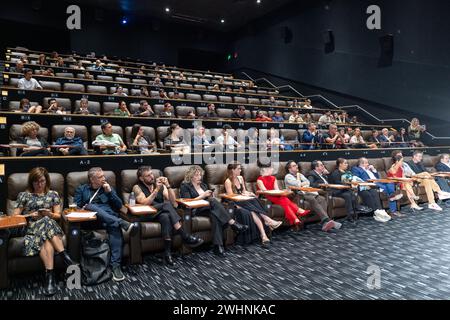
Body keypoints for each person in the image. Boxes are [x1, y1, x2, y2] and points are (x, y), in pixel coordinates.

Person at [13, 167, 75, 296]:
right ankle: (64, 256)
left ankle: (50, 278)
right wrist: (29, 215)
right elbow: (15, 217)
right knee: (45, 223)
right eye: (36, 182)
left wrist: (50, 214)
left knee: (46, 231)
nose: (39, 185)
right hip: (31, 226)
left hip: (49, 228)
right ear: (31, 182)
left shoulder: (53, 194)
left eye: (42, 181)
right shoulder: (24, 195)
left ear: (46, 181)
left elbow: (58, 215)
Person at [132, 166, 204, 265]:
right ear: (141, 178)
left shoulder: (160, 185)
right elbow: (144, 203)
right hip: (146, 214)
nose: (152, 177)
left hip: (160, 213)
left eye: (152, 174)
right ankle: (184, 235)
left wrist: (168, 186)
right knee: (166, 205)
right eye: (148, 176)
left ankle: (167, 253)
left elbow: (174, 203)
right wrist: (156, 190)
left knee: (165, 216)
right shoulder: (137, 187)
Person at [74, 167, 135, 281]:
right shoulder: (82, 189)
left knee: (114, 226)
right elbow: (76, 207)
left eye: (103, 175)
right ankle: (121, 223)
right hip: (91, 221)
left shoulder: (108, 188)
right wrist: (85, 208)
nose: (104, 178)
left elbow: (119, 205)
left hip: (108, 220)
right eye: (100, 176)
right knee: (90, 206)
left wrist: (110, 192)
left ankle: (116, 266)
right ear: (92, 179)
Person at [180, 166, 248, 256]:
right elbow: (188, 202)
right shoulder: (185, 185)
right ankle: (232, 223)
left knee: (214, 215)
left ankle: (217, 246)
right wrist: (203, 195)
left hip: (207, 208)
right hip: (195, 210)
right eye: (196, 175)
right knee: (212, 202)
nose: (199, 177)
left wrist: (211, 196)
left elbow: (211, 200)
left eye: (200, 175)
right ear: (191, 176)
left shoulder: (203, 185)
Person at [224, 162, 282, 247]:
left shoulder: (240, 178)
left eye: (240, 168)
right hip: (236, 203)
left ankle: (263, 235)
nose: (240, 170)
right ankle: (267, 220)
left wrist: (249, 193)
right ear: (233, 170)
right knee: (252, 202)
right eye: (238, 169)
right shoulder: (228, 181)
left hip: (243, 201)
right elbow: (231, 196)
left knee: (253, 205)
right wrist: (243, 195)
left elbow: (243, 191)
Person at [284, 161, 341, 232]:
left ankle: (325, 223)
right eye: (294, 166)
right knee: (312, 199)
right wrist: (300, 180)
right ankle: (326, 220)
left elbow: (308, 182)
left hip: (306, 192)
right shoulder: (288, 176)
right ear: (289, 169)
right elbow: (298, 185)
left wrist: (302, 183)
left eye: (296, 165)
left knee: (322, 199)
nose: (297, 166)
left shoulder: (300, 174)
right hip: (296, 195)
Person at [257, 162, 311, 229]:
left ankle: (295, 219)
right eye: (270, 168)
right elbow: (265, 192)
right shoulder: (259, 180)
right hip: (267, 197)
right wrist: (276, 193)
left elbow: (277, 189)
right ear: (265, 170)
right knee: (284, 199)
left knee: (284, 199)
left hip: (276, 195)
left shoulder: (273, 178)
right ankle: (298, 211)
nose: (272, 169)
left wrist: (283, 191)